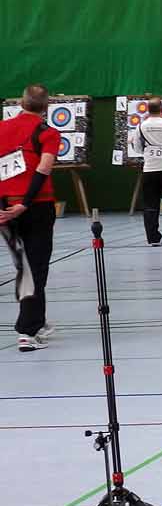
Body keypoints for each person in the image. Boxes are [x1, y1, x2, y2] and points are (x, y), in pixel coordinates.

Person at [0, 85, 60, 352]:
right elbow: (44, 168)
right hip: (36, 207)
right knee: (35, 268)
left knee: (25, 267)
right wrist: (24, 203)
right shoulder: (48, 132)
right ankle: (27, 332)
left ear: (21, 103)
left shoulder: (2, 128)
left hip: (4, 208)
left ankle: (38, 319)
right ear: (46, 107)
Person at [128, 97, 162, 247]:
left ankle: (153, 238)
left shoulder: (140, 127)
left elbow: (137, 148)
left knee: (150, 206)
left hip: (150, 171)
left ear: (148, 110)